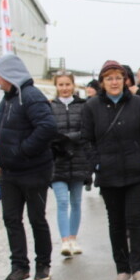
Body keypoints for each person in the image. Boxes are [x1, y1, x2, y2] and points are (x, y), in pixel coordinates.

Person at [82, 60, 140, 280]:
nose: (114, 82)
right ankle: (122, 270)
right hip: (109, 173)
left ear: (125, 80)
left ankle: (139, 268)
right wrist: (97, 163)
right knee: (116, 223)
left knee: (135, 220)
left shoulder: (139, 104)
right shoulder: (92, 106)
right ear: (102, 82)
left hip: (137, 172)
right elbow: (86, 139)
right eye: (109, 78)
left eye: (118, 78)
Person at [0, 53, 58, 280]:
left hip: (34, 171)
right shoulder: (6, 99)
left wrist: (23, 151)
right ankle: (19, 268)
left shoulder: (31, 96)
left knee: (36, 219)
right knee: (11, 219)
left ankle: (43, 265)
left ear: (9, 74)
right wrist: (4, 160)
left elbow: (47, 126)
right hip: (9, 174)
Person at [49, 71, 90, 257]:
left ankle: (73, 237)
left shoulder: (83, 106)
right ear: (56, 86)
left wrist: (68, 138)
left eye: (67, 84)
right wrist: (59, 142)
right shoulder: (50, 107)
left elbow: (86, 131)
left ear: (73, 86)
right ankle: (64, 240)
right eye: (61, 85)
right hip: (58, 161)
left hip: (78, 159)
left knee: (76, 201)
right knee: (62, 201)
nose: (64, 88)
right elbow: (47, 131)